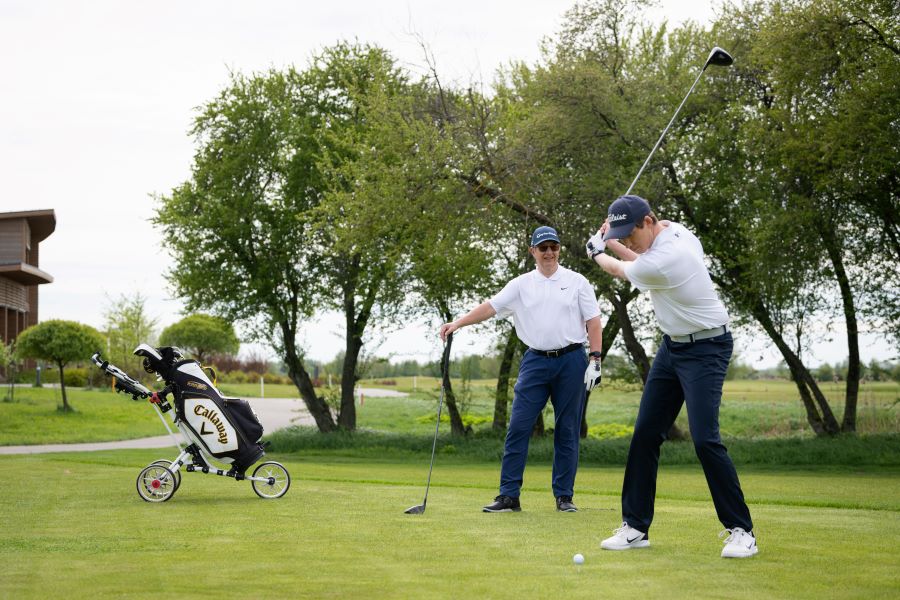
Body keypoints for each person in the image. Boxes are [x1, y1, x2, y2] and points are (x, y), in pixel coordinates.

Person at [585, 195, 758, 558]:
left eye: (629, 232)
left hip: (707, 349)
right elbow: (641, 259)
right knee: (646, 434)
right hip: (672, 348)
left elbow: (622, 269)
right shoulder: (674, 232)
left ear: (648, 221)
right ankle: (635, 527)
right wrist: (612, 238)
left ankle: (742, 531)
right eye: (622, 234)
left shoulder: (672, 256)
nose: (628, 241)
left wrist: (597, 250)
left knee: (705, 439)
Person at [440, 225, 603, 513]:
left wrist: (595, 359)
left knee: (567, 430)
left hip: (571, 360)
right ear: (533, 252)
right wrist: (458, 324)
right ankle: (508, 496)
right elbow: (490, 307)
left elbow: (593, 321)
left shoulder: (577, 282)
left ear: (559, 249)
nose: (549, 252)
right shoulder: (520, 284)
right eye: (543, 248)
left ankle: (564, 496)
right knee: (518, 427)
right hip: (535, 361)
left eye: (553, 247)